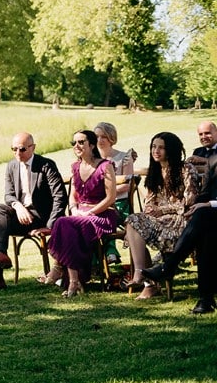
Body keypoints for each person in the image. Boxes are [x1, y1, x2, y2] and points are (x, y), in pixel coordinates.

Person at [0, 132, 66, 292]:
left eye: (22, 149)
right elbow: (8, 195)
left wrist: (51, 225)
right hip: (21, 216)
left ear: (33, 147)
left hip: (42, 219)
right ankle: (1, 254)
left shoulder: (46, 165)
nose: (18, 153)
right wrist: (18, 206)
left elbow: (60, 196)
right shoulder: (12, 166)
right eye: (14, 149)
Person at [142, 121, 217, 314]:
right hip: (209, 214)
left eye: (208, 133)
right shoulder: (201, 155)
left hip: (212, 210)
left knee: (201, 217)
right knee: (204, 232)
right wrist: (201, 204)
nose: (203, 137)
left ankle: (168, 267)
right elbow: (206, 191)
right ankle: (205, 300)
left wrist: (207, 204)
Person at [123, 132, 200, 300]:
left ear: (171, 150)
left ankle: (146, 281)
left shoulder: (185, 169)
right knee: (133, 222)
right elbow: (151, 201)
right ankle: (144, 278)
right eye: (153, 147)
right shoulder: (155, 171)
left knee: (134, 225)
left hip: (181, 222)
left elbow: (189, 202)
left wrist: (163, 210)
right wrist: (150, 209)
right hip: (159, 222)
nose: (156, 151)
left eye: (161, 147)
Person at [43, 130, 119, 297]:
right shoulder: (75, 167)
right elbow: (72, 196)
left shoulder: (105, 166)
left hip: (102, 215)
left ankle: (61, 271)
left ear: (91, 145)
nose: (76, 146)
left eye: (81, 142)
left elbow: (111, 198)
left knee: (65, 223)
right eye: (74, 143)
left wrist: (90, 212)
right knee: (64, 223)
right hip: (80, 215)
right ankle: (74, 281)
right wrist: (75, 210)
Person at [94, 121, 136, 267]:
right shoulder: (92, 160)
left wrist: (108, 192)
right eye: (96, 137)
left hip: (120, 204)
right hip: (98, 204)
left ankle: (110, 252)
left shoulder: (124, 157)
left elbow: (127, 184)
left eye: (103, 137)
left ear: (111, 138)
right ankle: (93, 261)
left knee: (106, 214)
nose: (99, 140)